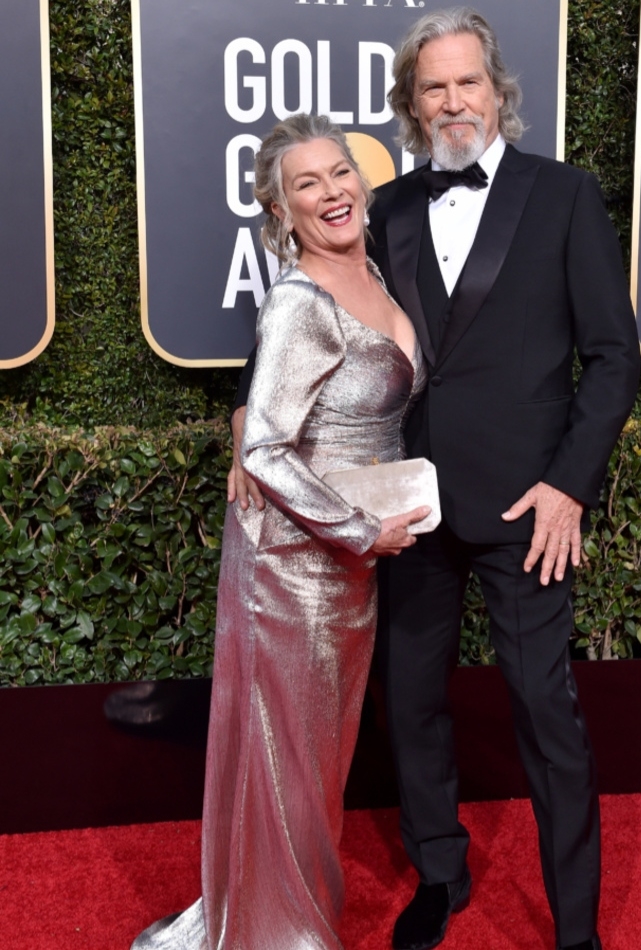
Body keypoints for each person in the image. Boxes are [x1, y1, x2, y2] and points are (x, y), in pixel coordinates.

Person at [231, 9, 640, 950]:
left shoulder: (566, 194)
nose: (453, 101)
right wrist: (249, 411)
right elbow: (329, 318)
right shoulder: (392, 207)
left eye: (467, 83)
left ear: (498, 90)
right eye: (433, 88)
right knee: (409, 699)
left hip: (528, 505)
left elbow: (613, 356)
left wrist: (569, 485)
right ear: (410, 106)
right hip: (407, 504)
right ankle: (441, 873)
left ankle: (576, 927)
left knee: (546, 709)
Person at [131, 114, 429, 950]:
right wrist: (361, 527)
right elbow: (263, 446)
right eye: (308, 183)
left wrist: (372, 529)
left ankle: (281, 920)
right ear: (280, 208)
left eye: (340, 172)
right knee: (289, 768)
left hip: (351, 567)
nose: (332, 191)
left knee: (315, 769)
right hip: (295, 566)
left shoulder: (376, 271)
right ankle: (283, 938)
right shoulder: (301, 300)